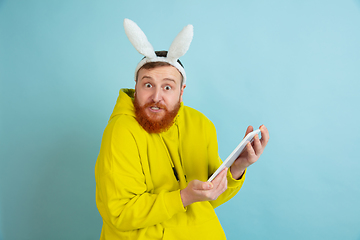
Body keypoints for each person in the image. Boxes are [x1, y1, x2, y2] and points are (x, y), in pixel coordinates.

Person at [95, 19, 269, 240]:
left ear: (181, 91)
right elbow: (119, 213)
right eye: (148, 85)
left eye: (167, 87)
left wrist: (237, 168)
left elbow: (207, 198)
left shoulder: (201, 124)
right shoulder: (121, 131)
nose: (156, 97)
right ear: (136, 86)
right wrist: (182, 197)